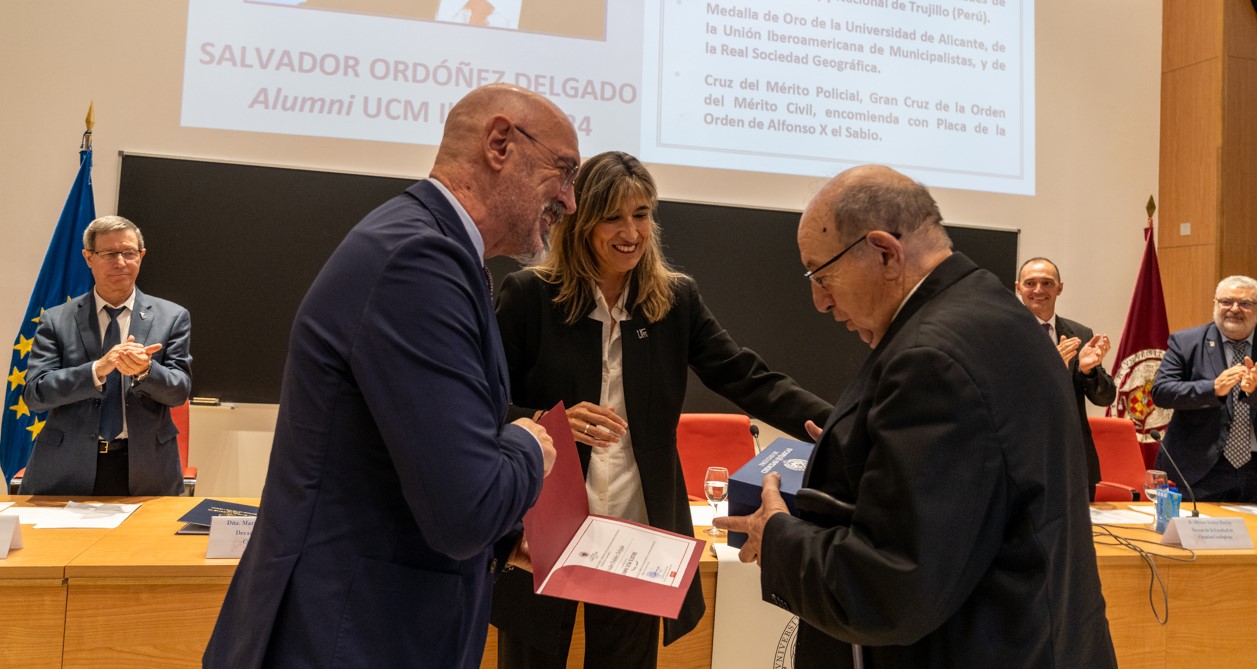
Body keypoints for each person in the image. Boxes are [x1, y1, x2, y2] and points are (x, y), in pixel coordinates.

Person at [203, 84, 569, 668]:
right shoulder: (419, 259)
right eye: (564, 172)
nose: (570, 201)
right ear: (499, 143)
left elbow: (413, 462)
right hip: (347, 637)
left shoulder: (428, 248)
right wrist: (529, 445)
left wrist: (506, 535)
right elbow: (464, 509)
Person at [715, 165, 1116, 668]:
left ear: (884, 252)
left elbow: (891, 586)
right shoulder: (995, 313)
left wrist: (775, 534)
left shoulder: (931, 360)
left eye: (822, 274)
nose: (819, 300)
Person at [491, 151, 832, 668]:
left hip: (638, 532)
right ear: (581, 221)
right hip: (542, 527)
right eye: (613, 216)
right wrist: (541, 420)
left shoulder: (675, 300)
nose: (631, 232)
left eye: (643, 214)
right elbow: (480, 403)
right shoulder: (529, 296)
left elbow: (746, 376)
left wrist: (839, 424)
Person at [20, 215, 191, 496]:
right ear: (89, 258)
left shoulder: (172, 317)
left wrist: (146, 371)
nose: (121, 262)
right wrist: (96, 370)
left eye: (129, 253)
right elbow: (36, 395)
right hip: (66, 467)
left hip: (147, 468)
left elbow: (178, 393)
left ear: (141, 256)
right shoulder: (56, 320)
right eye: (110, 253)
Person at [1015, 257, 1115, 500]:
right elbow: (1001, 398)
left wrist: (1088, 371)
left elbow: (1105, 398)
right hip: (1021, 464)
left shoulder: (1079, 334)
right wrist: (1051, 369)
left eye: (1047, 283)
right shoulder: (999, 333)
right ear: (1018, 288)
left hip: (1074, 463)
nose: (1039, 290)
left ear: (1060, 287)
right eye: (1030, 283)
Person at [1152, 276, 1257, 502]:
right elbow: (1161, 391)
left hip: (1253, 469)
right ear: (1215, 304)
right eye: (1226, 302)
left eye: (1245, 303)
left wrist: (1254, 392)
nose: (1234, 309)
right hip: (1199, 470)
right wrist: (1213, 388)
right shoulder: (1187, 342)